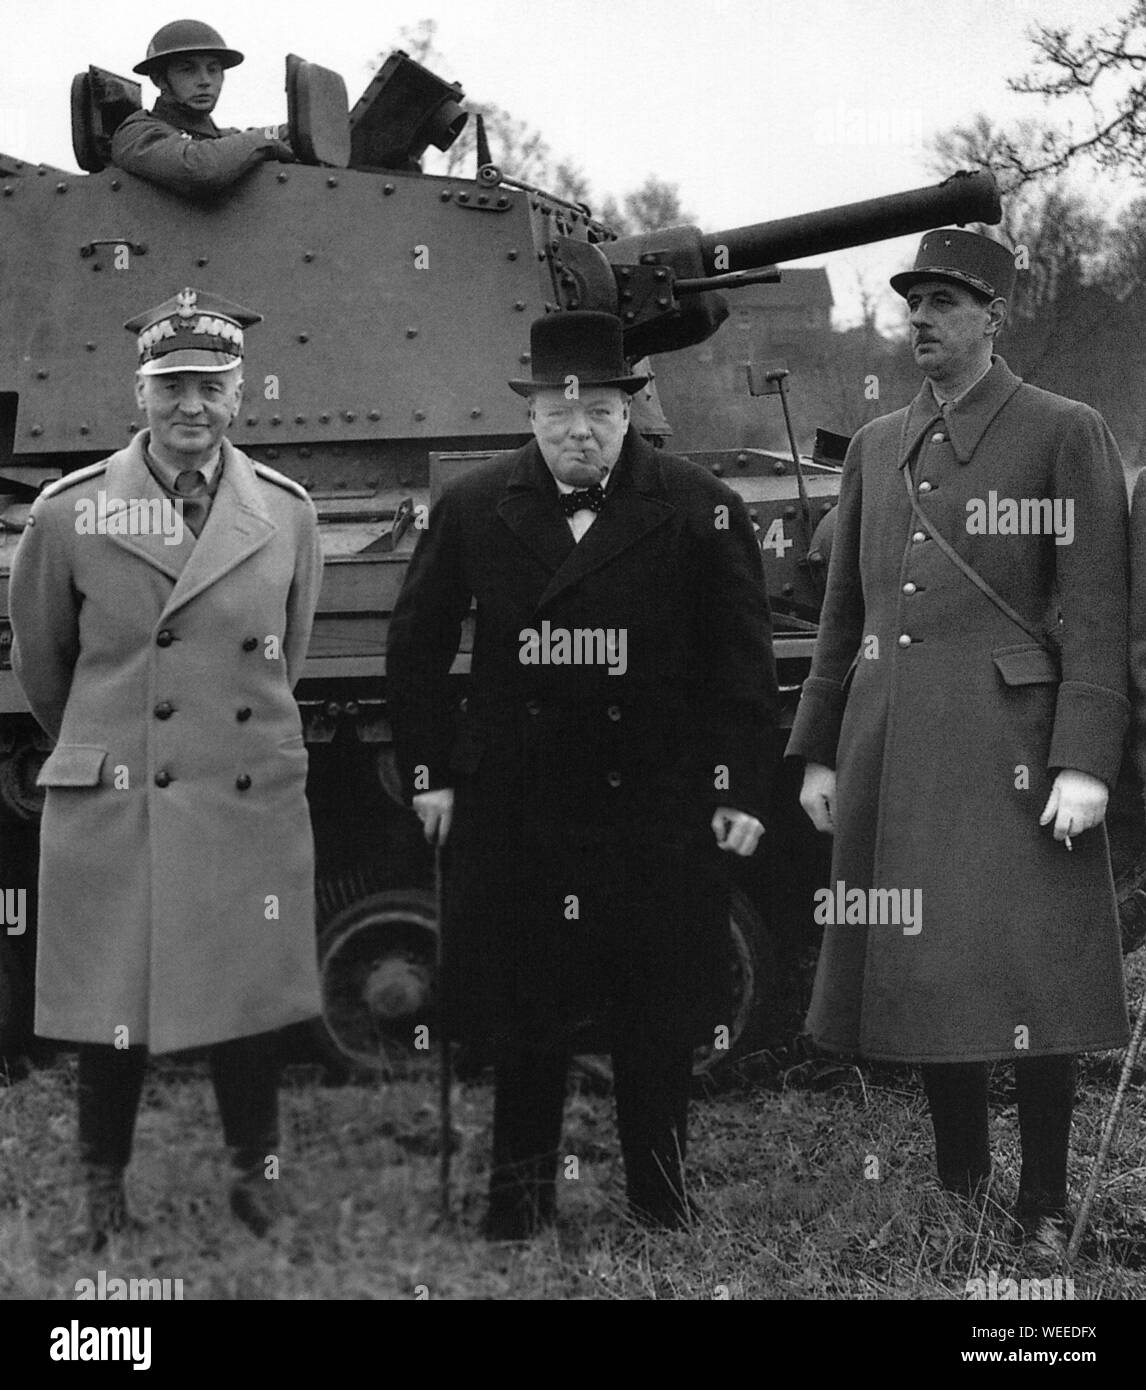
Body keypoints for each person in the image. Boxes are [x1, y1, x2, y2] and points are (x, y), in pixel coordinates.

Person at [387, 310, 777, 1239]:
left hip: (658, 801)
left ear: (627, 412)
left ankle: (661, 1205)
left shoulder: (699, 504)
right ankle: (515, 1208)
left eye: (598, 412)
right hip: (520, 804)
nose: (578, 431)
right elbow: (416, 647)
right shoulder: (477, 505)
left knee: (658, 1015)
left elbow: (743, 665)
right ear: (531, 415)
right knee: (527, 1013)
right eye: (560, 413)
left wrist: (738, 790)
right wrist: (432, 773)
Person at [787, 229, 1130, 1243]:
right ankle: (963, 1185)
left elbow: (1099, 608)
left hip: (1015, 744)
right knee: (931, 962)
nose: (922, 319)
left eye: (945, 300)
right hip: (894, 743)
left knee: (1029, 968)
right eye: (914, 300)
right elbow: (841, 613)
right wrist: (816, 749)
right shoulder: (882, 444)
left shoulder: (1065, 431)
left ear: (994, 315)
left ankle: (1045, 1197)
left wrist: (1086, 758)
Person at [9, 287, 323, 1248]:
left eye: (212, 387)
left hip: (241, 791)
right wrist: (127, 749)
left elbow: (287, 651)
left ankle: (252, 1182)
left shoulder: (285, 512)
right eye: (173, 385)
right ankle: (101, 1200)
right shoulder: (70, 514)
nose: (193, 405)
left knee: (247, 1006)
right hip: (123, 797)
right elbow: (45, 664)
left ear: (241, 398)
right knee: (114, 1011)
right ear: (139, 394)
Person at [111, 20, 293, 197]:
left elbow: (267, 135)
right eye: (188, 70)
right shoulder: (136, 134)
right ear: (159, 79)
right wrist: (266, 137)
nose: (205, 81)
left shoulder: (223, 139)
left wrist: (293, 130)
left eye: (213, 70)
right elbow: (197, 167)